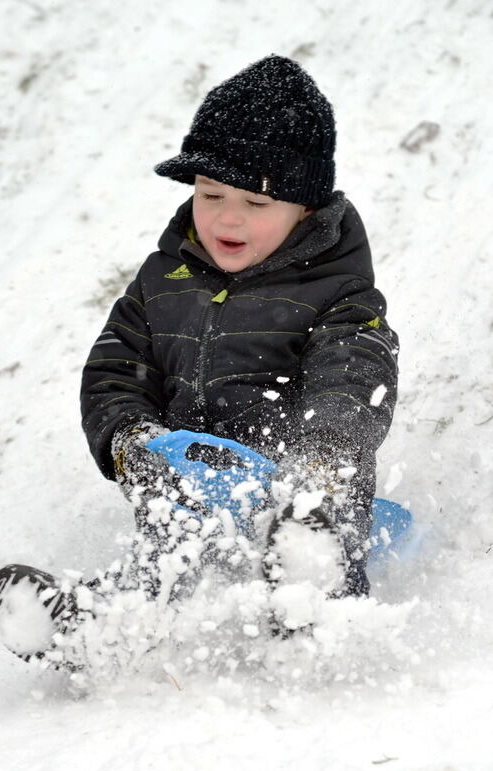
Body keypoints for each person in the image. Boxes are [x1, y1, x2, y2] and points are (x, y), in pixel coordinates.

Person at [80, 55, 398, 628]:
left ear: (305, 208)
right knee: (169, 525)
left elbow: (353, 379)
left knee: (319, 511)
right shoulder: (162, 281)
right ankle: (114, 626)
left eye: (255, 203)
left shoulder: (337, 294)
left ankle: (318, 599)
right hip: (189, 478)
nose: (228, 219)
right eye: (209, 194)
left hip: (297, 484)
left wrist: (319, 458)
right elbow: (114, 369)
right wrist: (132, 441)